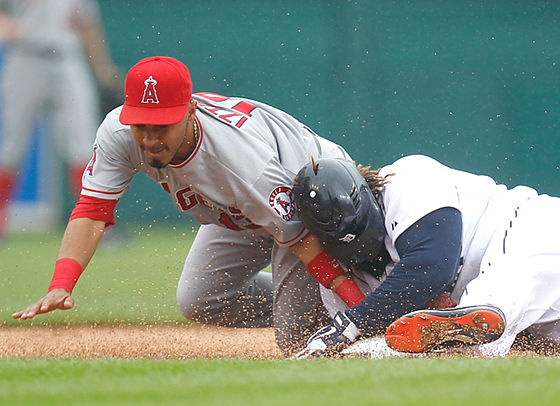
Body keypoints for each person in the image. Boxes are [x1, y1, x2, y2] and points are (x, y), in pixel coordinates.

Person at [11, 55, 370, 356]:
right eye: (141, 124)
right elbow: (92, 210)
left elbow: (300, 240)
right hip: (239, 209)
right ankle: (319, 311)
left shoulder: (238, 160)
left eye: (162, 126)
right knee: (200, 300)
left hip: (311, 198)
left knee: (294, 340)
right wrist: (62, 284)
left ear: (190, 111)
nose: (149, 138)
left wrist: (361, 307)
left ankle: (370, 304)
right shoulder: (119, 133)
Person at [291, 155, 560, 358]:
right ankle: (467, 329)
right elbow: (391, 330)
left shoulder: (406, 179)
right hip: (547, 309)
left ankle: (475, 321)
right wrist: (341, 349)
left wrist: (349, 328)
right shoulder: (343, 284)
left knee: (489, 305)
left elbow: (432, 267)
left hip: (547, 233)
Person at [0, 0, 121, 239]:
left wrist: (102, 69)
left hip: (67, 58)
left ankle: (95, 224)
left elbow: (88, 24)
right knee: (10, 146)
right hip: (26, 57)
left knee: (82, 145)